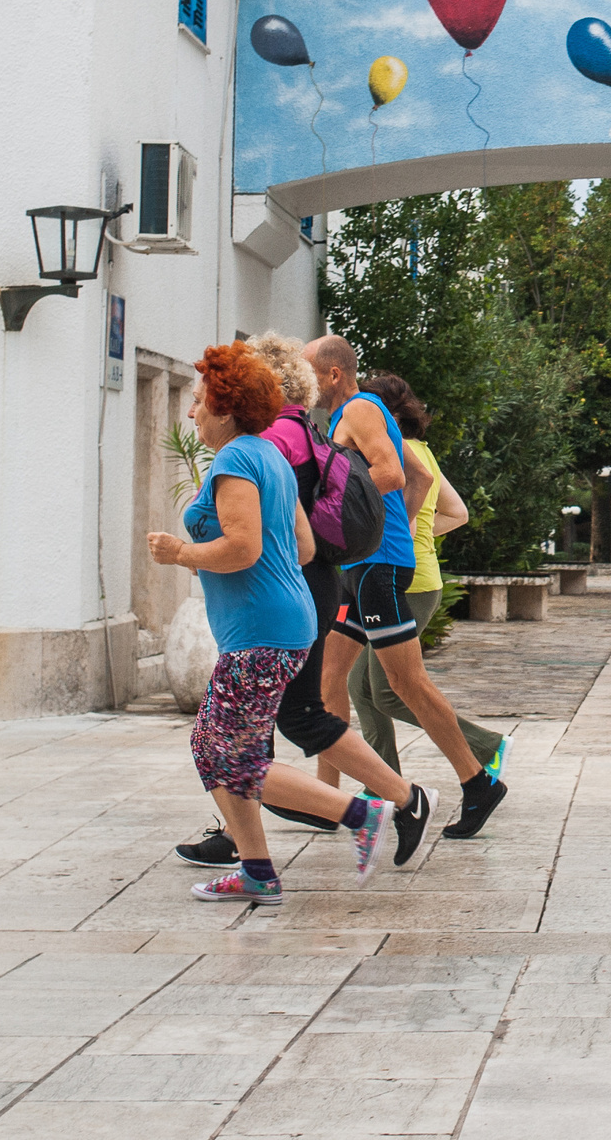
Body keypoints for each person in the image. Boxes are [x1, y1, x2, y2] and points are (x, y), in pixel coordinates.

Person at [147, 344, 402, 904]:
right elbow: (306, 544)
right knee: (219, 750)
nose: (190, 414)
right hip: (286, 623)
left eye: (196, 402)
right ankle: (258, 871)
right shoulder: (270, 456)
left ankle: (359, 813)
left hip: (260, 631)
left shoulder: (237, 459)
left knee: (226, 755)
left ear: (224, 405)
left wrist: (180, 553)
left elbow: (242, 547)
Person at [305, 337, 510, 840]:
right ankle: (329, 801)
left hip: (378, 568)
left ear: (333, 374)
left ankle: (478, 782)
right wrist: (392, 522)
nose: (302, 378)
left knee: (405, 684)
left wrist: (339, 510)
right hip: (361, 563)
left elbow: (393, 472)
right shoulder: (347, 415)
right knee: (331, 679)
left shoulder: (358, 408)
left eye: (308, 370)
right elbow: (418, 474)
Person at [340, 372, 496, 780]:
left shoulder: (392, 452)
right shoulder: (420, 451)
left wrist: (402, 531)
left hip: (396, 574)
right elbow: (457, 513)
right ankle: (385, 777)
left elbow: (403, 511)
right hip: (414, 573)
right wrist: (418, 533)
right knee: (361, 685)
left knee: (388, 690)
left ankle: (485, 749)